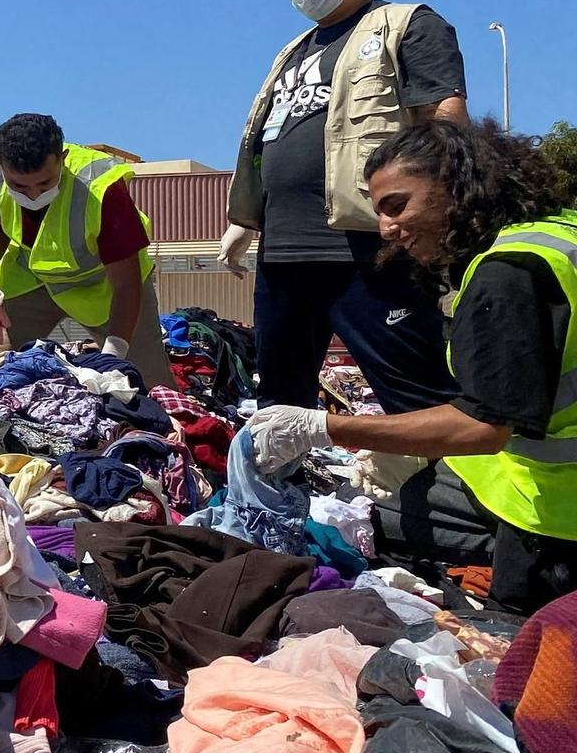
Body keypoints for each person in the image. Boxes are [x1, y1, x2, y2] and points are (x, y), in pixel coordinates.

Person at [247, 120, 577, 613]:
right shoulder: (555, 237)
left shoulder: (507, 275)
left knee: (521, 640)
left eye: (397, 205)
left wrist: (321, 427)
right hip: (542, 479)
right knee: (397, 506)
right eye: (379, 211)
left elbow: (482, 427)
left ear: (456, 187)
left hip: (556, 511)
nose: (385, 229)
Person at [222, 0, 468, 413]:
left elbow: (445, 124)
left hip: (368, 250)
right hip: (284, 256)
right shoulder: (292, 52)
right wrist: (244, 219)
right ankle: (278, 492)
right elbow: (268, 140)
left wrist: (434, 217)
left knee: (417, 396)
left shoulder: (406, 25)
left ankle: (441, 489)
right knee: (278, 404)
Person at [0, 113, 174, 390]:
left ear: (62, 158)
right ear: (0, 164)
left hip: (103, 288)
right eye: (18, 185)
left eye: (44, 183)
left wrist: (112, 358)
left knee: (150, 386)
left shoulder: (102, 187)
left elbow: (126, 284)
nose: (32, 195)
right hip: (28, 280)